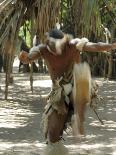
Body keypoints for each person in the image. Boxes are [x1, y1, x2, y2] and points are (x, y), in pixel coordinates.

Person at [19, 28, 116, 155]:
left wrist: (111, 46)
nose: (53, 49)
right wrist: (24, 58)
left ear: (64, 42)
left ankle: (78, 117)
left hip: (78, 85)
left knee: (81, 73)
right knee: (52, 135)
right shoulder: (43, 50)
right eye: (50, 45)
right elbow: (29, 58)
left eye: (56, 45)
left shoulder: (74, 45)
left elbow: (95, 46)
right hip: (58, 93)